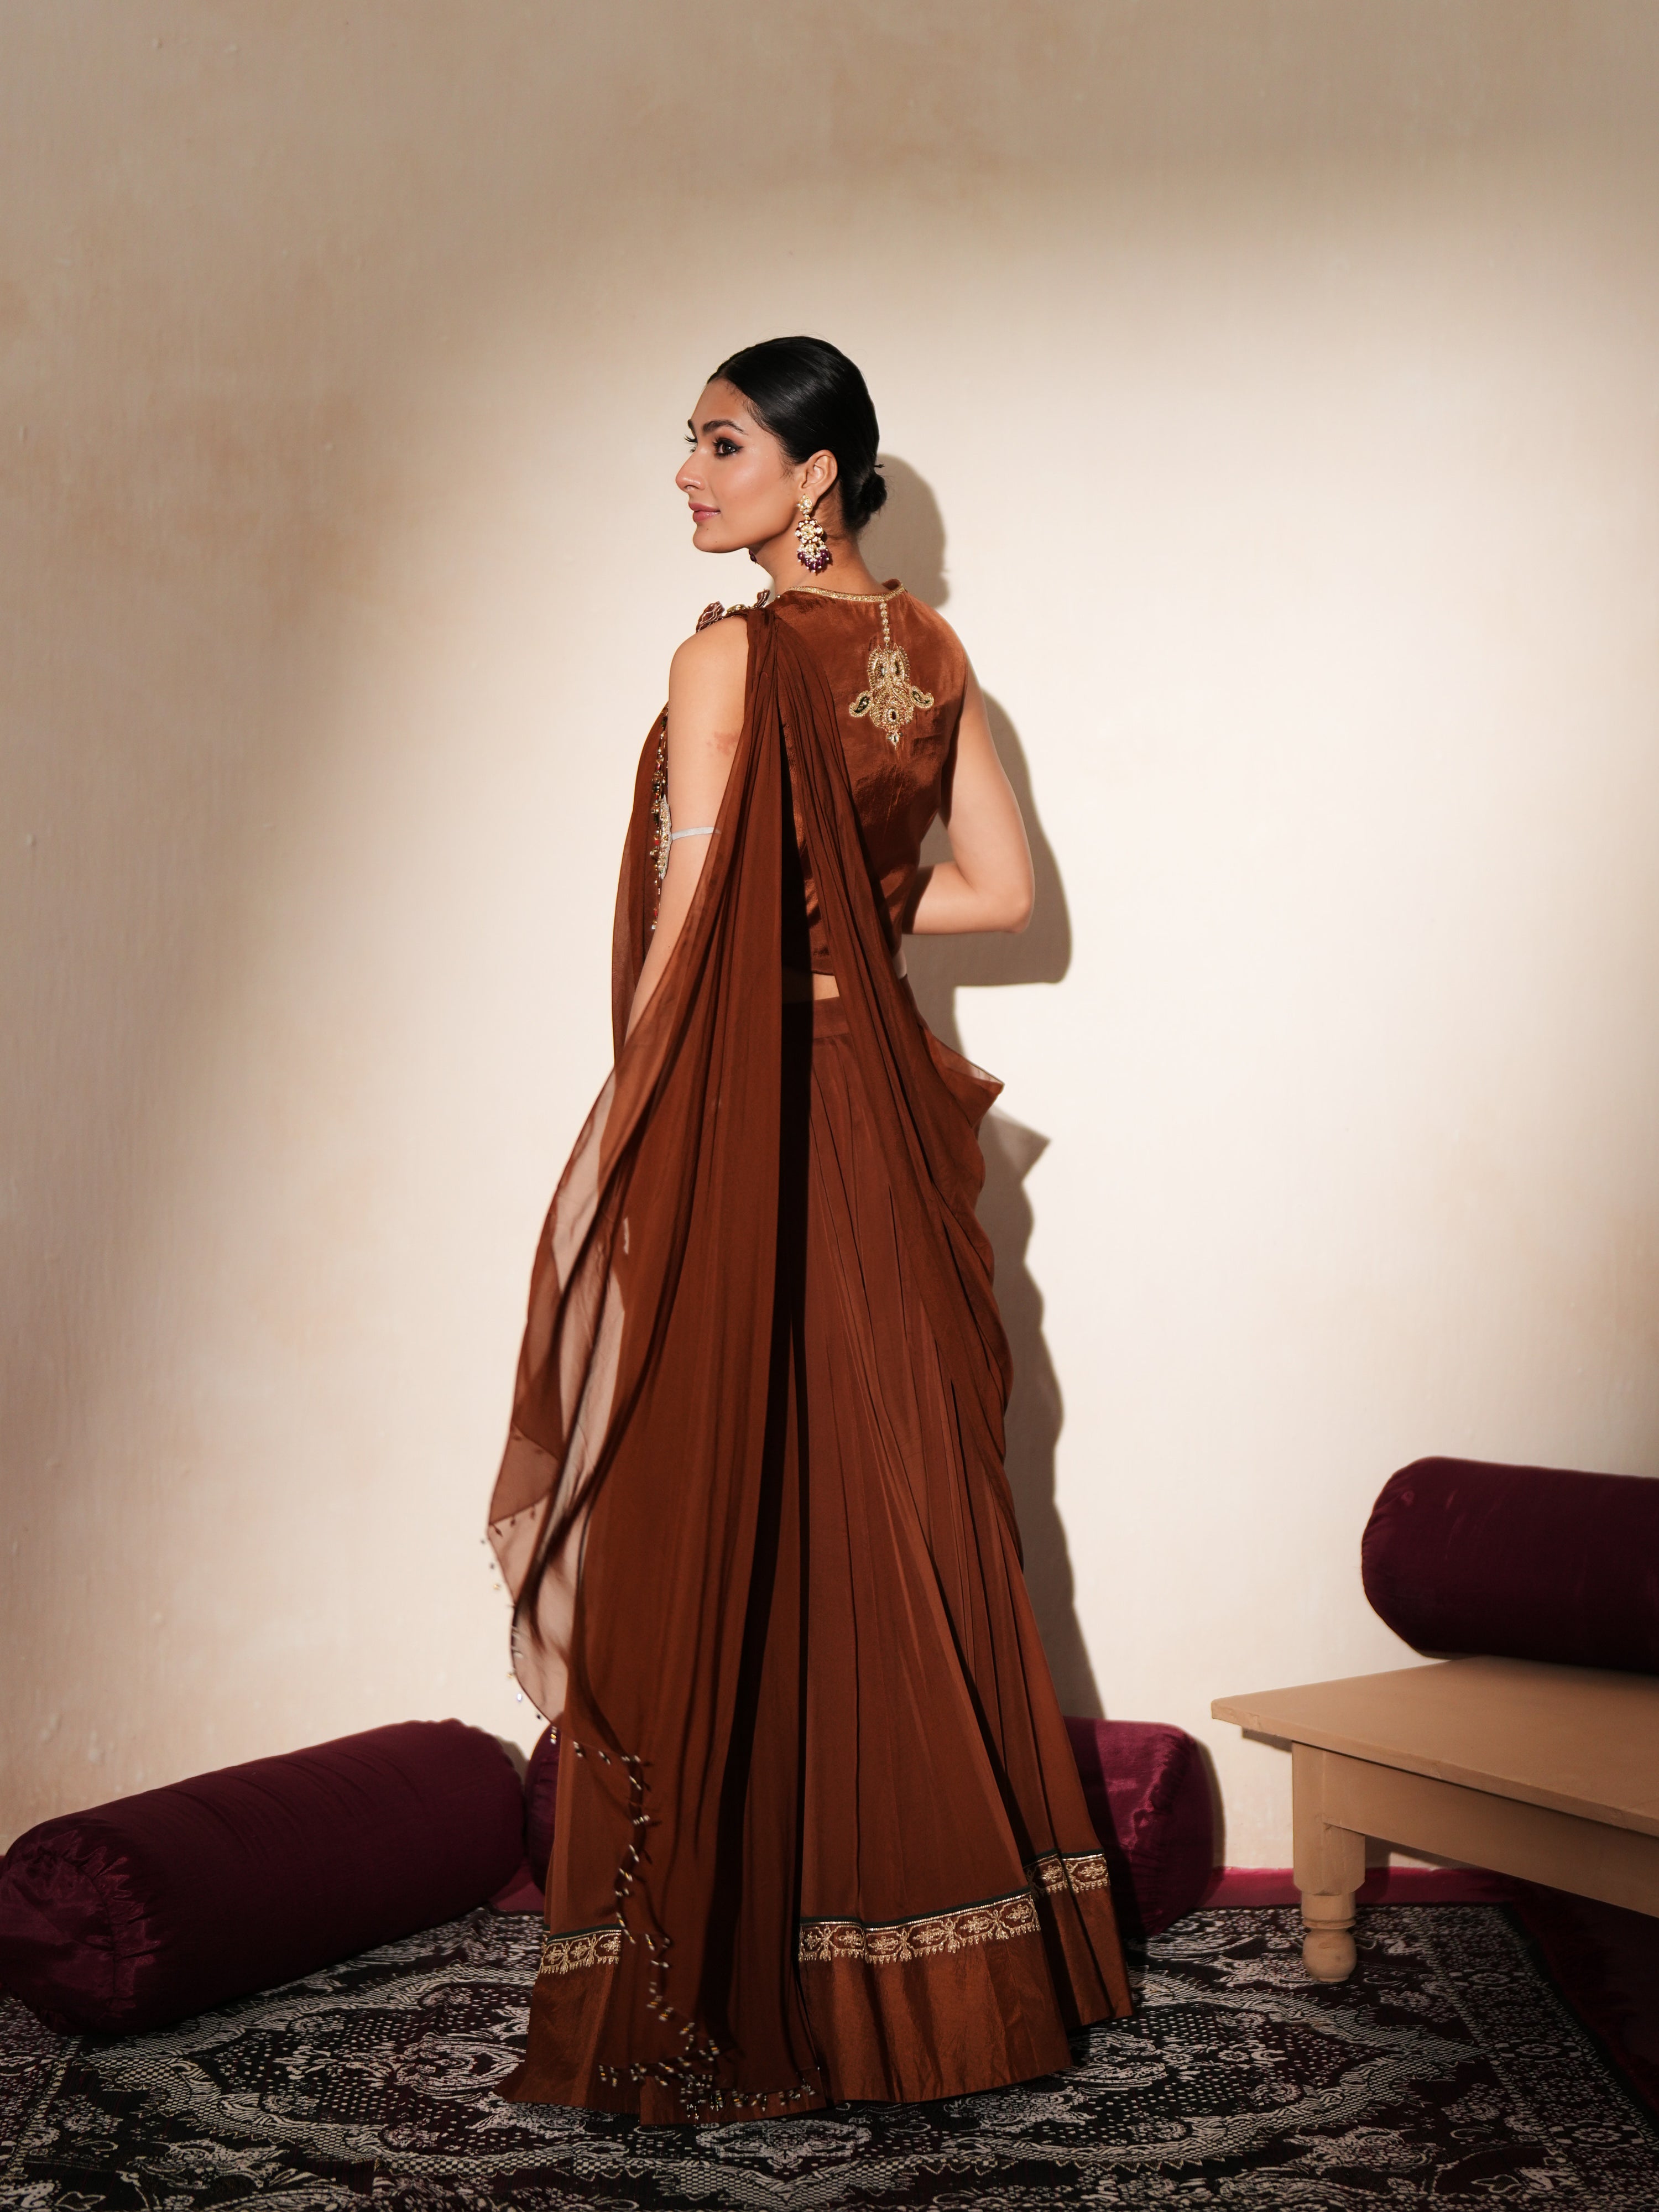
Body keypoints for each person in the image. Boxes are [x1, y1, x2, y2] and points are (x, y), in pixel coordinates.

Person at [487, 337, 1130, 2125]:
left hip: (752, 1109)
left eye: (718, 445)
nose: (686, 477)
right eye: (686, 446)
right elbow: (999, 893)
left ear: (814, 474)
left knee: (725, 1495)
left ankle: (737, 1973)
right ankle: (965, 1975)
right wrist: (856, 909)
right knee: (895, 1497)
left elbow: (693, 927)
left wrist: (646, 1141)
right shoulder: (928, 658)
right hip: (876, 1107)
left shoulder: (729, 655)